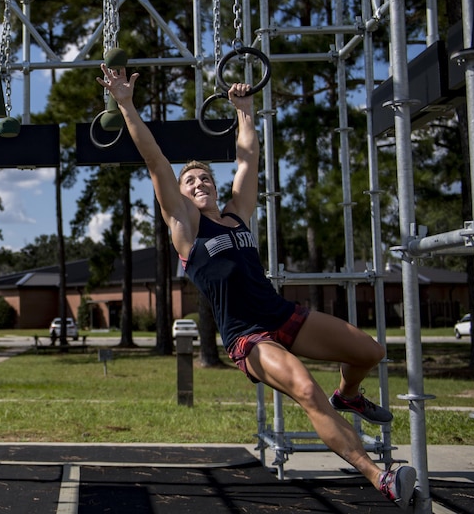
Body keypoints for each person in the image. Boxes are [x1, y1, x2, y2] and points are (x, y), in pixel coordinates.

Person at [97, 63, 417, 510]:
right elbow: (155, 160)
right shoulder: (184, 227)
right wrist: (126, 104)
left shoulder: (235, 215)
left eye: (205, 176)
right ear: (181, 194)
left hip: (281, 314)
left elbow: (247, 159)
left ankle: (347, 395)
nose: (199, 181)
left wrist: (244, 110)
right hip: (249, 335)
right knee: (305, 389)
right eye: (190, 180)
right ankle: (379, 475)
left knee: (369, 352)